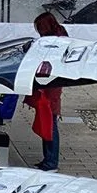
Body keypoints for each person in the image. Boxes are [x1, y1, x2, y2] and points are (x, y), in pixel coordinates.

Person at [27, 12, 67, 170]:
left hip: (50, 86)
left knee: (50, 124)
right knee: (48, 122)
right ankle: (48, 159)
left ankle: (51, 162)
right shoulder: (60, 35)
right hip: (52, 85)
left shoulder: (54, 41)